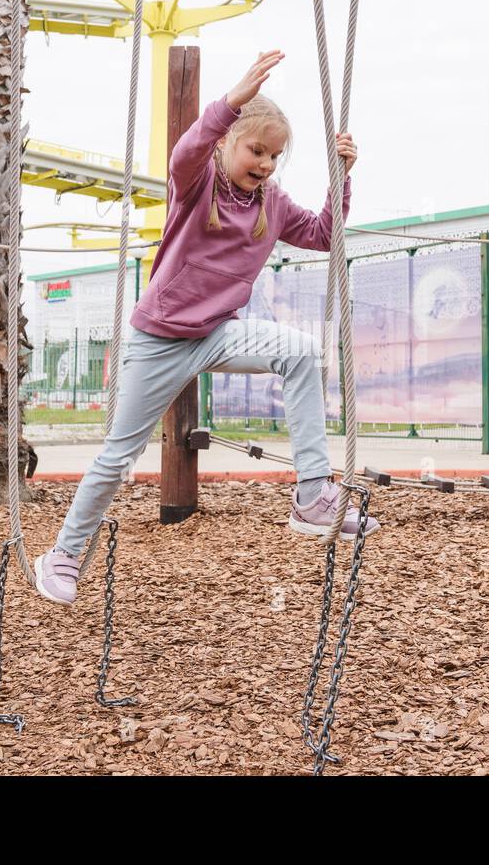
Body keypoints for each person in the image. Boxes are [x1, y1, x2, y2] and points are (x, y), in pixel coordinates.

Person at [35, 50, 379, 606]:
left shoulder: (272, 203)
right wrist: (232, 101)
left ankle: (313, 494)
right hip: (161, 339)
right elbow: (184, 152)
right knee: (118, 456)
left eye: (274, 154)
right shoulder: (197, 186)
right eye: (255, 148)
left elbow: (323, 234)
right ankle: (64, 555)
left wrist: (341, 179)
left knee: (302, 352)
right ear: (227, 142)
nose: (265, 162)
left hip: (218, 332)